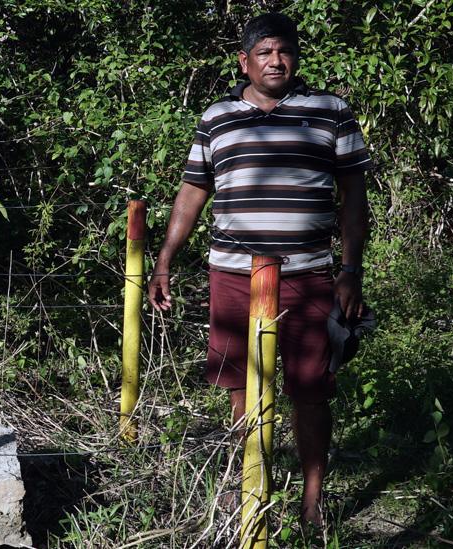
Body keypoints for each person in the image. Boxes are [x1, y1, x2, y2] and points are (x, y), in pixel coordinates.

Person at [146, 12, 371, 526]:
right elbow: (192, 193)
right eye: (264, 52)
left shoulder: (330, 112)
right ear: (244, 61)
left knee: (311, 390)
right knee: (242, 387)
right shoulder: (218, 117)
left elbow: (353, 195)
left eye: (284, 50)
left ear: (296, 56)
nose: (276, 60)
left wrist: (350, 269)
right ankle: (251, 491)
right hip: (233, 274)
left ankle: (313, 502)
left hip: (309, 274)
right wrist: (164, 260)